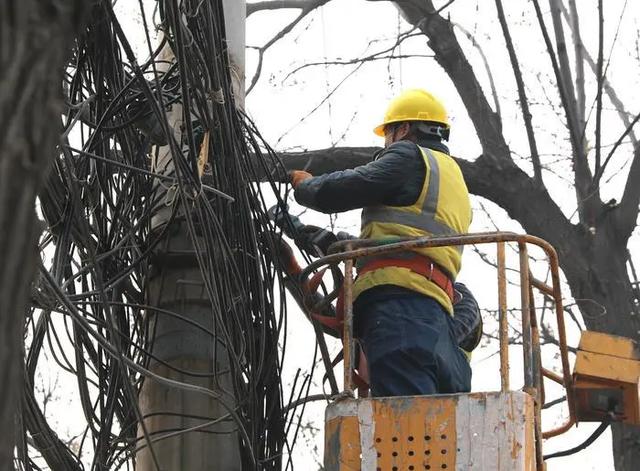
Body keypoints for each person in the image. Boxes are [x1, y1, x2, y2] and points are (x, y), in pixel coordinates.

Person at [290, 89, 473, 397]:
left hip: (399, 306)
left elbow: (344, 188)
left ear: (403, 129)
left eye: (388, 133)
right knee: (427, 422)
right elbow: (398, 242)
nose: (387, 142)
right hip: (433, 308)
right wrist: (306, 233)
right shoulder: (454, 180)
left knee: (404, 428)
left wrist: (306, 186)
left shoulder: (409, 156)